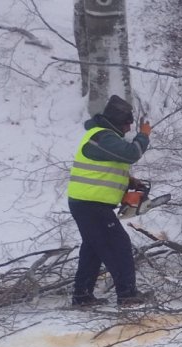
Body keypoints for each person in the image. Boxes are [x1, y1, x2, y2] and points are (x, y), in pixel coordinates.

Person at [67, 95, 154, 307]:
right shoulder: (102, 137)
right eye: (127, 123)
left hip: (88, 203)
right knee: (119, 245)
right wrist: (143, 136)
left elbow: (105, 170)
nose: (129, 127)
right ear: (117, 122)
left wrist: (128, 181)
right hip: (90, 205)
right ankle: (127, 295)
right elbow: (131, 153)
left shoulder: (105, 139)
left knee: (94, 248)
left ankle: (82, 295)